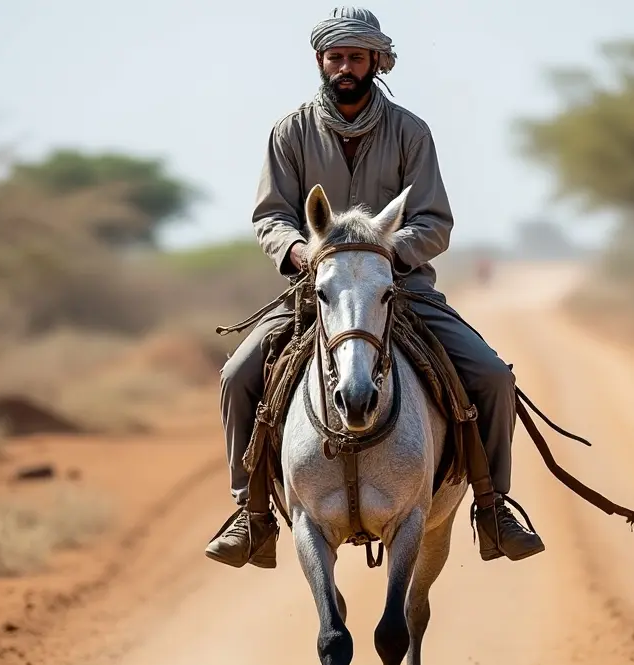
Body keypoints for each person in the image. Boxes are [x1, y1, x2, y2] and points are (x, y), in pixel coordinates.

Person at [205, 6, 546, 569]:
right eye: (335, 56)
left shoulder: (411, 131)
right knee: (238, 375)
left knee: (491, 376)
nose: (344, 66)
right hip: (315, 291)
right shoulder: (289, 132)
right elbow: (270, 217)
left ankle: (492, 506)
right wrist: (302, 252)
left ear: (376, 62)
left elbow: (435, 222)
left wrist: (384, 254)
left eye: (356, 57)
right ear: (320, 60)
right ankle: (253, 513)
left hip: (401, 291)